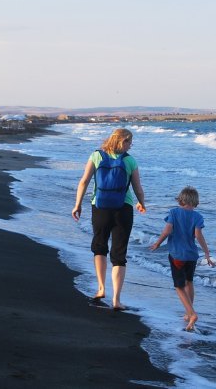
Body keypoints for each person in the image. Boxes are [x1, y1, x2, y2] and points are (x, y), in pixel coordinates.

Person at [72, 128, 146, 311]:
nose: (131, 145)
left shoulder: (96, 156)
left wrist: (77, 204)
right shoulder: (130, 160)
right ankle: (116, 300)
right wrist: (141, 203)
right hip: (124, 209)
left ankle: (101, 288)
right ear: (122, 141)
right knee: (119, 254)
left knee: (100, 246)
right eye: (129, 142)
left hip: (100, 207)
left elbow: (84, 181)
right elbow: (137, 187)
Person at [149, 186, 214, 331]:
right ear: (195, 201)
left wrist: (157, 243)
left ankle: (191, 314)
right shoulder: (197, 217)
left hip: (177, 255)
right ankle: (188, 311)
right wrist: (207, 253)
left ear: (181, 199)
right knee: (189, 282)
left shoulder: (174, 212)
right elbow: (198, 235)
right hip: (191, 255)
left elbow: (167, 230)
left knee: (179, 286)